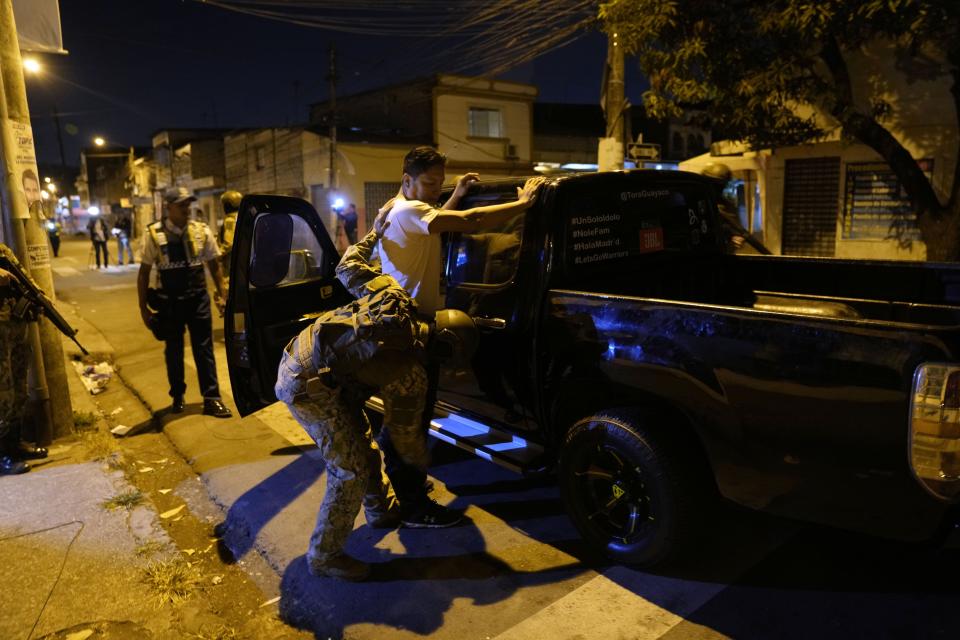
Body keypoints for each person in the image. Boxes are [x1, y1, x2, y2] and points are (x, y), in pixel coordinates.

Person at [275, 224, 477, 580]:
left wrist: (376, 230)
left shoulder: (394, 295)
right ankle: (325, 555)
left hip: (309, 358)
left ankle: (380, 510)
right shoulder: (408, 371)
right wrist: (420, 464)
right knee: (349, 470)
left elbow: (346, 265)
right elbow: (403, 440)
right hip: (308, 385)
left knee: (362, 446)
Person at [137, 186, 232, 418]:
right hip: (169, 303)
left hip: (198, 299)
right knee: (174, 351)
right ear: (167, 207)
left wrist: (222, 296)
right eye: (181, 205)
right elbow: (144, 272)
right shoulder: (153, 235)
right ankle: (178, 396)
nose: (186, 209)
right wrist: (143, 309)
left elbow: (214, 266)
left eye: (187, 204)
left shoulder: (201, 231)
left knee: (204, 349)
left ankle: (212, 398)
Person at [0, 244, 48, 475]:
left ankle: (14, 444)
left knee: (18, 389)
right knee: (2, 395)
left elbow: (24, 276)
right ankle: (1, 456)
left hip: (13, 329)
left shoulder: (2, 251)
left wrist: (38, 295)